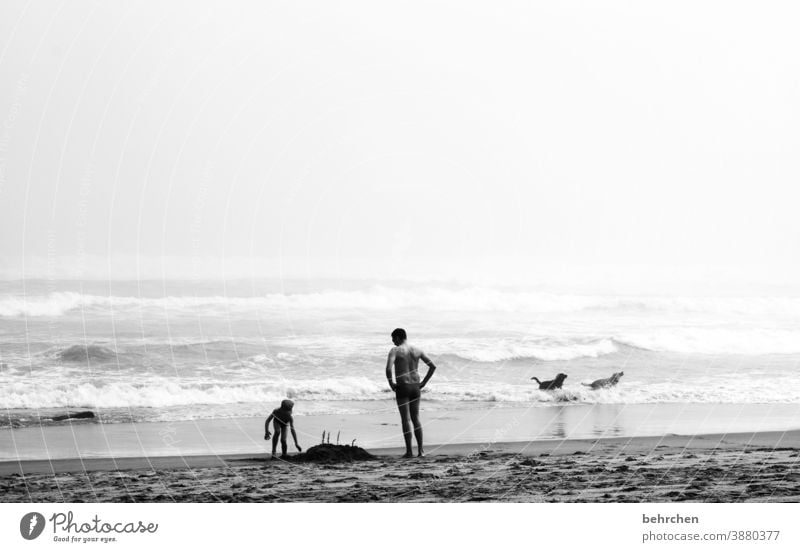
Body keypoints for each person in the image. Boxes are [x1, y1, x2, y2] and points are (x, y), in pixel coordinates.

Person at [385, 328, 437, 458]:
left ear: (398, 337)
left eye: (393, 338)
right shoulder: (417, 350)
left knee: (405, 420)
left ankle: (409, 451)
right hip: (415, 387)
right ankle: (421, 451)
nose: (392, 342)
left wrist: (391, 383)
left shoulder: (395, 351)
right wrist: (424, 382)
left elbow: (388, 369)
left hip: (403, 387)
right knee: (416, 419)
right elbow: (433, 366)